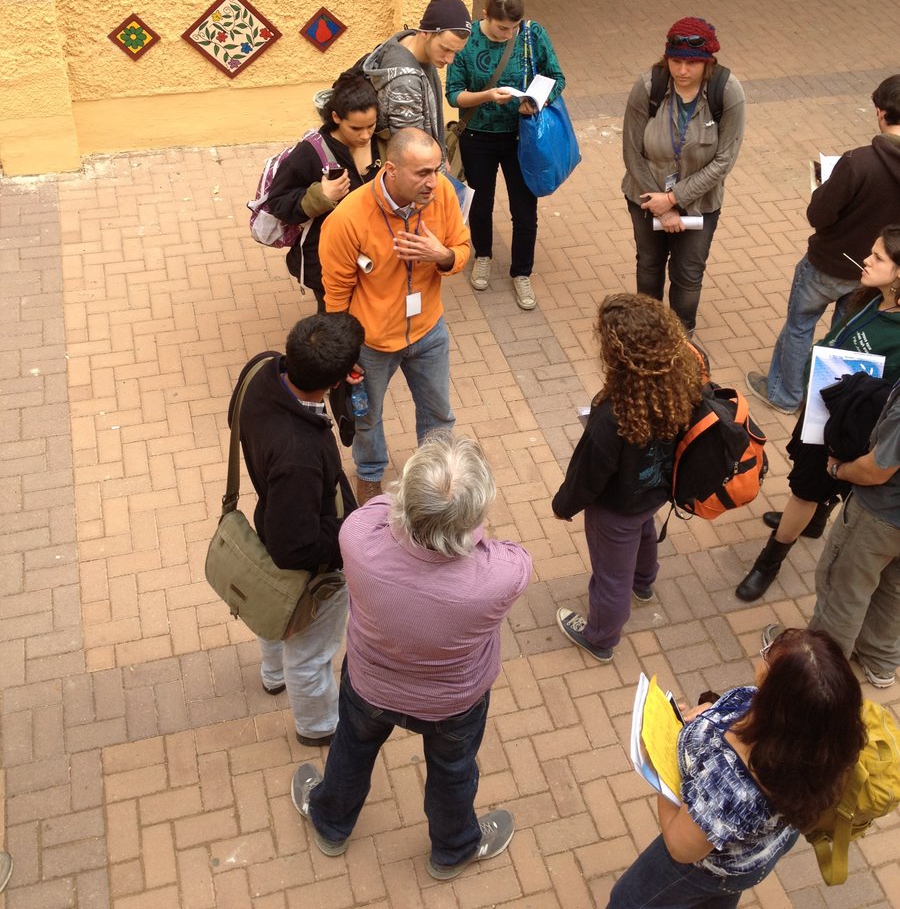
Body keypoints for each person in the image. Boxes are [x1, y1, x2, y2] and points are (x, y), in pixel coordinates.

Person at [290, 433, 532, 879]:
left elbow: (380, 507)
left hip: (370, 684)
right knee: (453, 773)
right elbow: (515, 554)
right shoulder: (500, 576)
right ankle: (453, 850)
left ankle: (331, 823)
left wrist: (412, 502)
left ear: (407, 495)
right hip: (454, 703)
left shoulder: (357, 538)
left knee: (351, 750)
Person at [607, 629, 865, 909]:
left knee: (627, 900)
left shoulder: (729, 786)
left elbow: (680, 848)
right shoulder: (819, 736)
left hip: (705, 867)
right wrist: (709, 711)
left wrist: (660, 762)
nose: (763, 656)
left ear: (778, 696)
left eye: (768, 657)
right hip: (750, 856)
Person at [736, 227, 900, 602]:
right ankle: (814, 521)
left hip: (844, 429)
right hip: (823, 409)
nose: (866, 260)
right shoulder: (875, 298)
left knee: (803, 492)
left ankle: (769, 562)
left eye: (878, 258)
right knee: (814, 490)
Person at [227, 312, 364, 744]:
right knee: (309, 655)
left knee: (273, 607)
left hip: (270, 518)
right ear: (336, 379)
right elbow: (295, 549)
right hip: (310, 563)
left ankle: (273, 675)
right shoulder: (298, 456)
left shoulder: (262, 368)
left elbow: (236, 421)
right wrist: (351, 537)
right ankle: (318, 727)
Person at [318, 127, 470, 503]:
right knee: (367, 417)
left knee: (439, 413)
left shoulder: (443, 193)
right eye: (422, 173)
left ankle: (436, 480)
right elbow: (336, 294)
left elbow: (462, 247)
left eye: (436, 169)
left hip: (429, 330)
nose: (433, 182)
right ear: (391, 170)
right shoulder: (347, 219)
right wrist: (345, 353)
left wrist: (443, 256)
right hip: (371, 343)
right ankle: (370, 475)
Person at [553, 293, 704, 662]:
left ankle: (601, 638)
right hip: (654, 493)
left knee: (610, 576)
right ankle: (644, 582)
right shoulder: (683, 384)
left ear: (619, 355)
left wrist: (563, 506)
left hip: (615, 510)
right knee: (644, 531)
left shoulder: (614, 415)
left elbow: (588, 476)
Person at [746, 74, 900, 414]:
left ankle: (785, 396)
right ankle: (824, 401)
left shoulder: (858, 161)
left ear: (880, 112)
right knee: (843, 338)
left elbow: (819, 215)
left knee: (800, 326)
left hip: (829, 262)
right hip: (877, 275)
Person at [764, 378, 900, 690]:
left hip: (879, 516)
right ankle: (879, 661)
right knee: (894, 587)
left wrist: (838, 470)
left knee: (842, 587)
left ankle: (817, 673)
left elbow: (876, 470)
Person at [445, 0, 565, 312]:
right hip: (477, 136)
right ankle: (482, 255)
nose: (509, 34)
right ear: (485, 14)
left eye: (513, 27)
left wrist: (536, 102)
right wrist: (486, 96)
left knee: (524, 209)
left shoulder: (532, 33)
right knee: (480, 204)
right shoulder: (467, 39)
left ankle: (522, 272)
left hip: (521, 137)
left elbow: (556, 77)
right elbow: (453, 94)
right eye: (501, 28)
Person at [622, 17, 745, 337]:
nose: (683, 70)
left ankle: (681, 336)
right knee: (649, 264)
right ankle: (647, 333)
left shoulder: (726, 91)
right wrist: (661, 205)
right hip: (646, 197)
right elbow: (632, 152)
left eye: (692, 63)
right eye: (676, 61)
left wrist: (675, 199)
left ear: (708, 62)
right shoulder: (648, 86)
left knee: (688, 272)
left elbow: (724, 160)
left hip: (700, 202)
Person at [263, 73, 385, 311]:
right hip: (326, 261)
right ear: (336, 117)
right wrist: (321, 197)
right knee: (337, 322)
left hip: (374, 257)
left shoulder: (383, 141)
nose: (365, 135)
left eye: (371, 126)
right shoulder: (310, 152)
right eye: (356, 128)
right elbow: (278, 202)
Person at [361, 0, 472, 144]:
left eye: (456, 52)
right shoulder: (405, 83)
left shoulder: (407, 40)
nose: (450, 59)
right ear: (425, 33)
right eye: (445, 49)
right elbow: (412, 149)